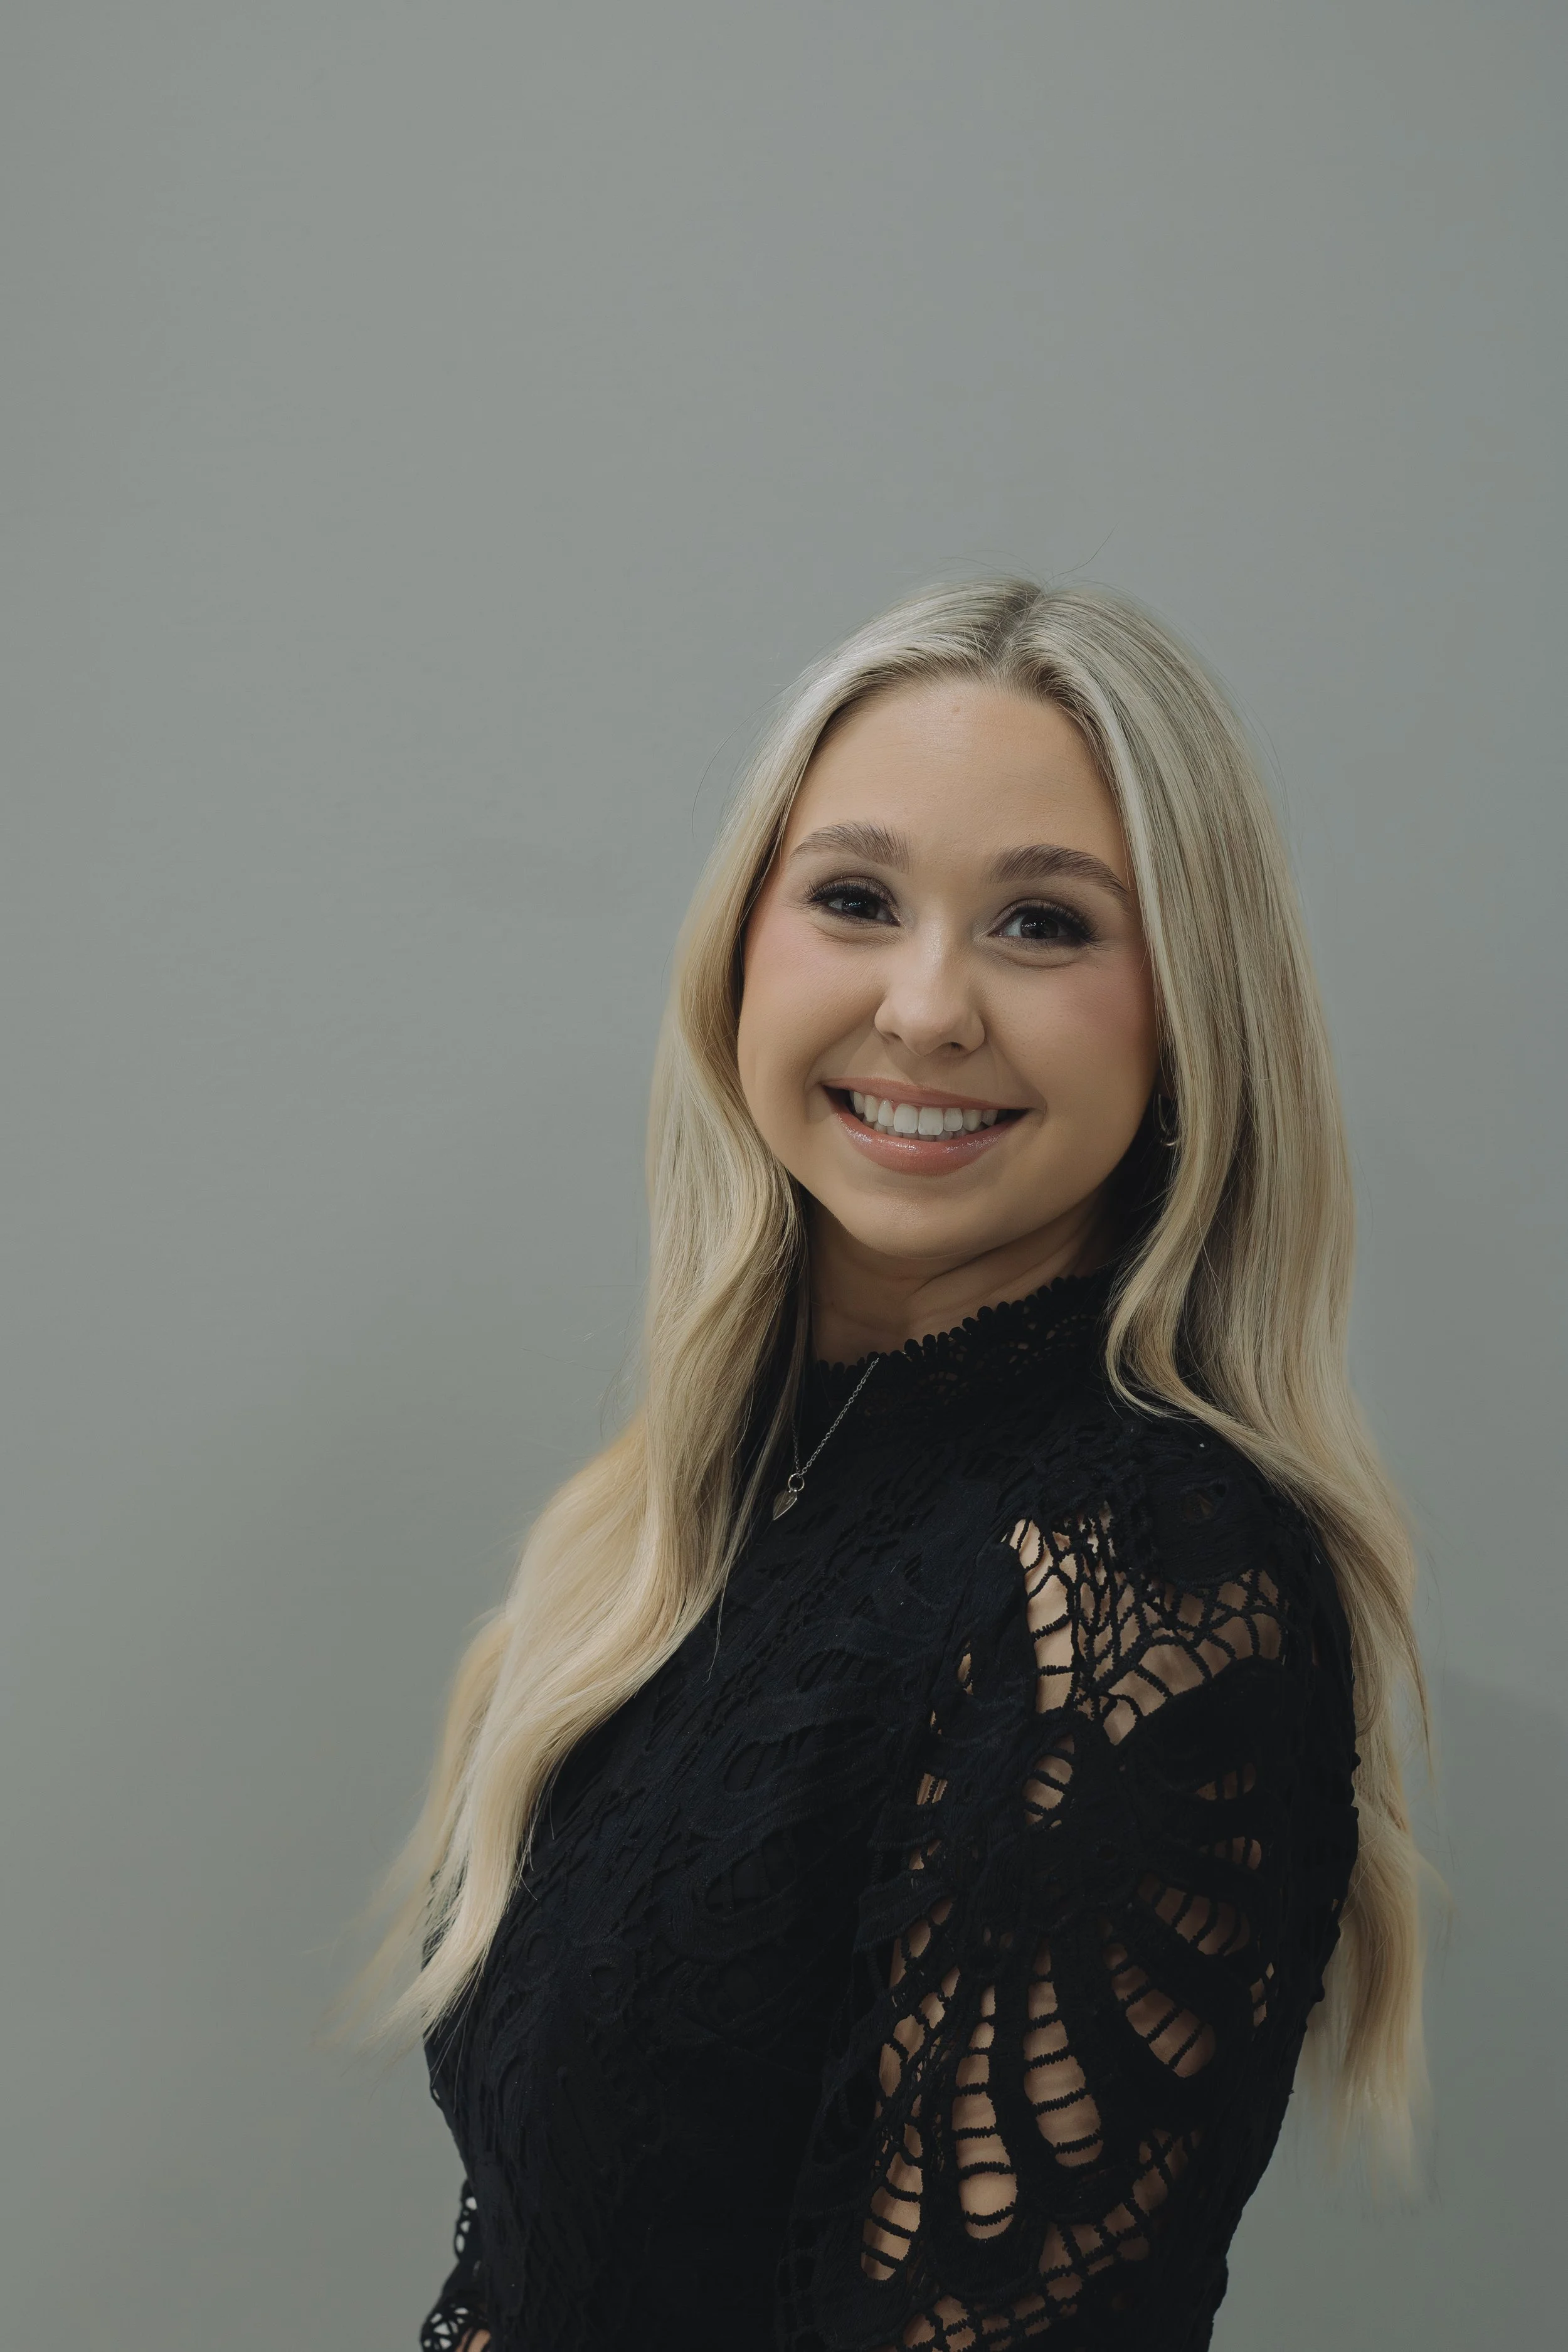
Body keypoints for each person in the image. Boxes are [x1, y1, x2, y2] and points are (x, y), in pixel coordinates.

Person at [368, 578, 1426, 2351]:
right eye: (853, 897)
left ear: (1185, 1019)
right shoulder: (723, 1501)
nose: (925, 1007)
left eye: (1042, 924)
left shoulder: (1143, 1573)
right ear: (741, 949)